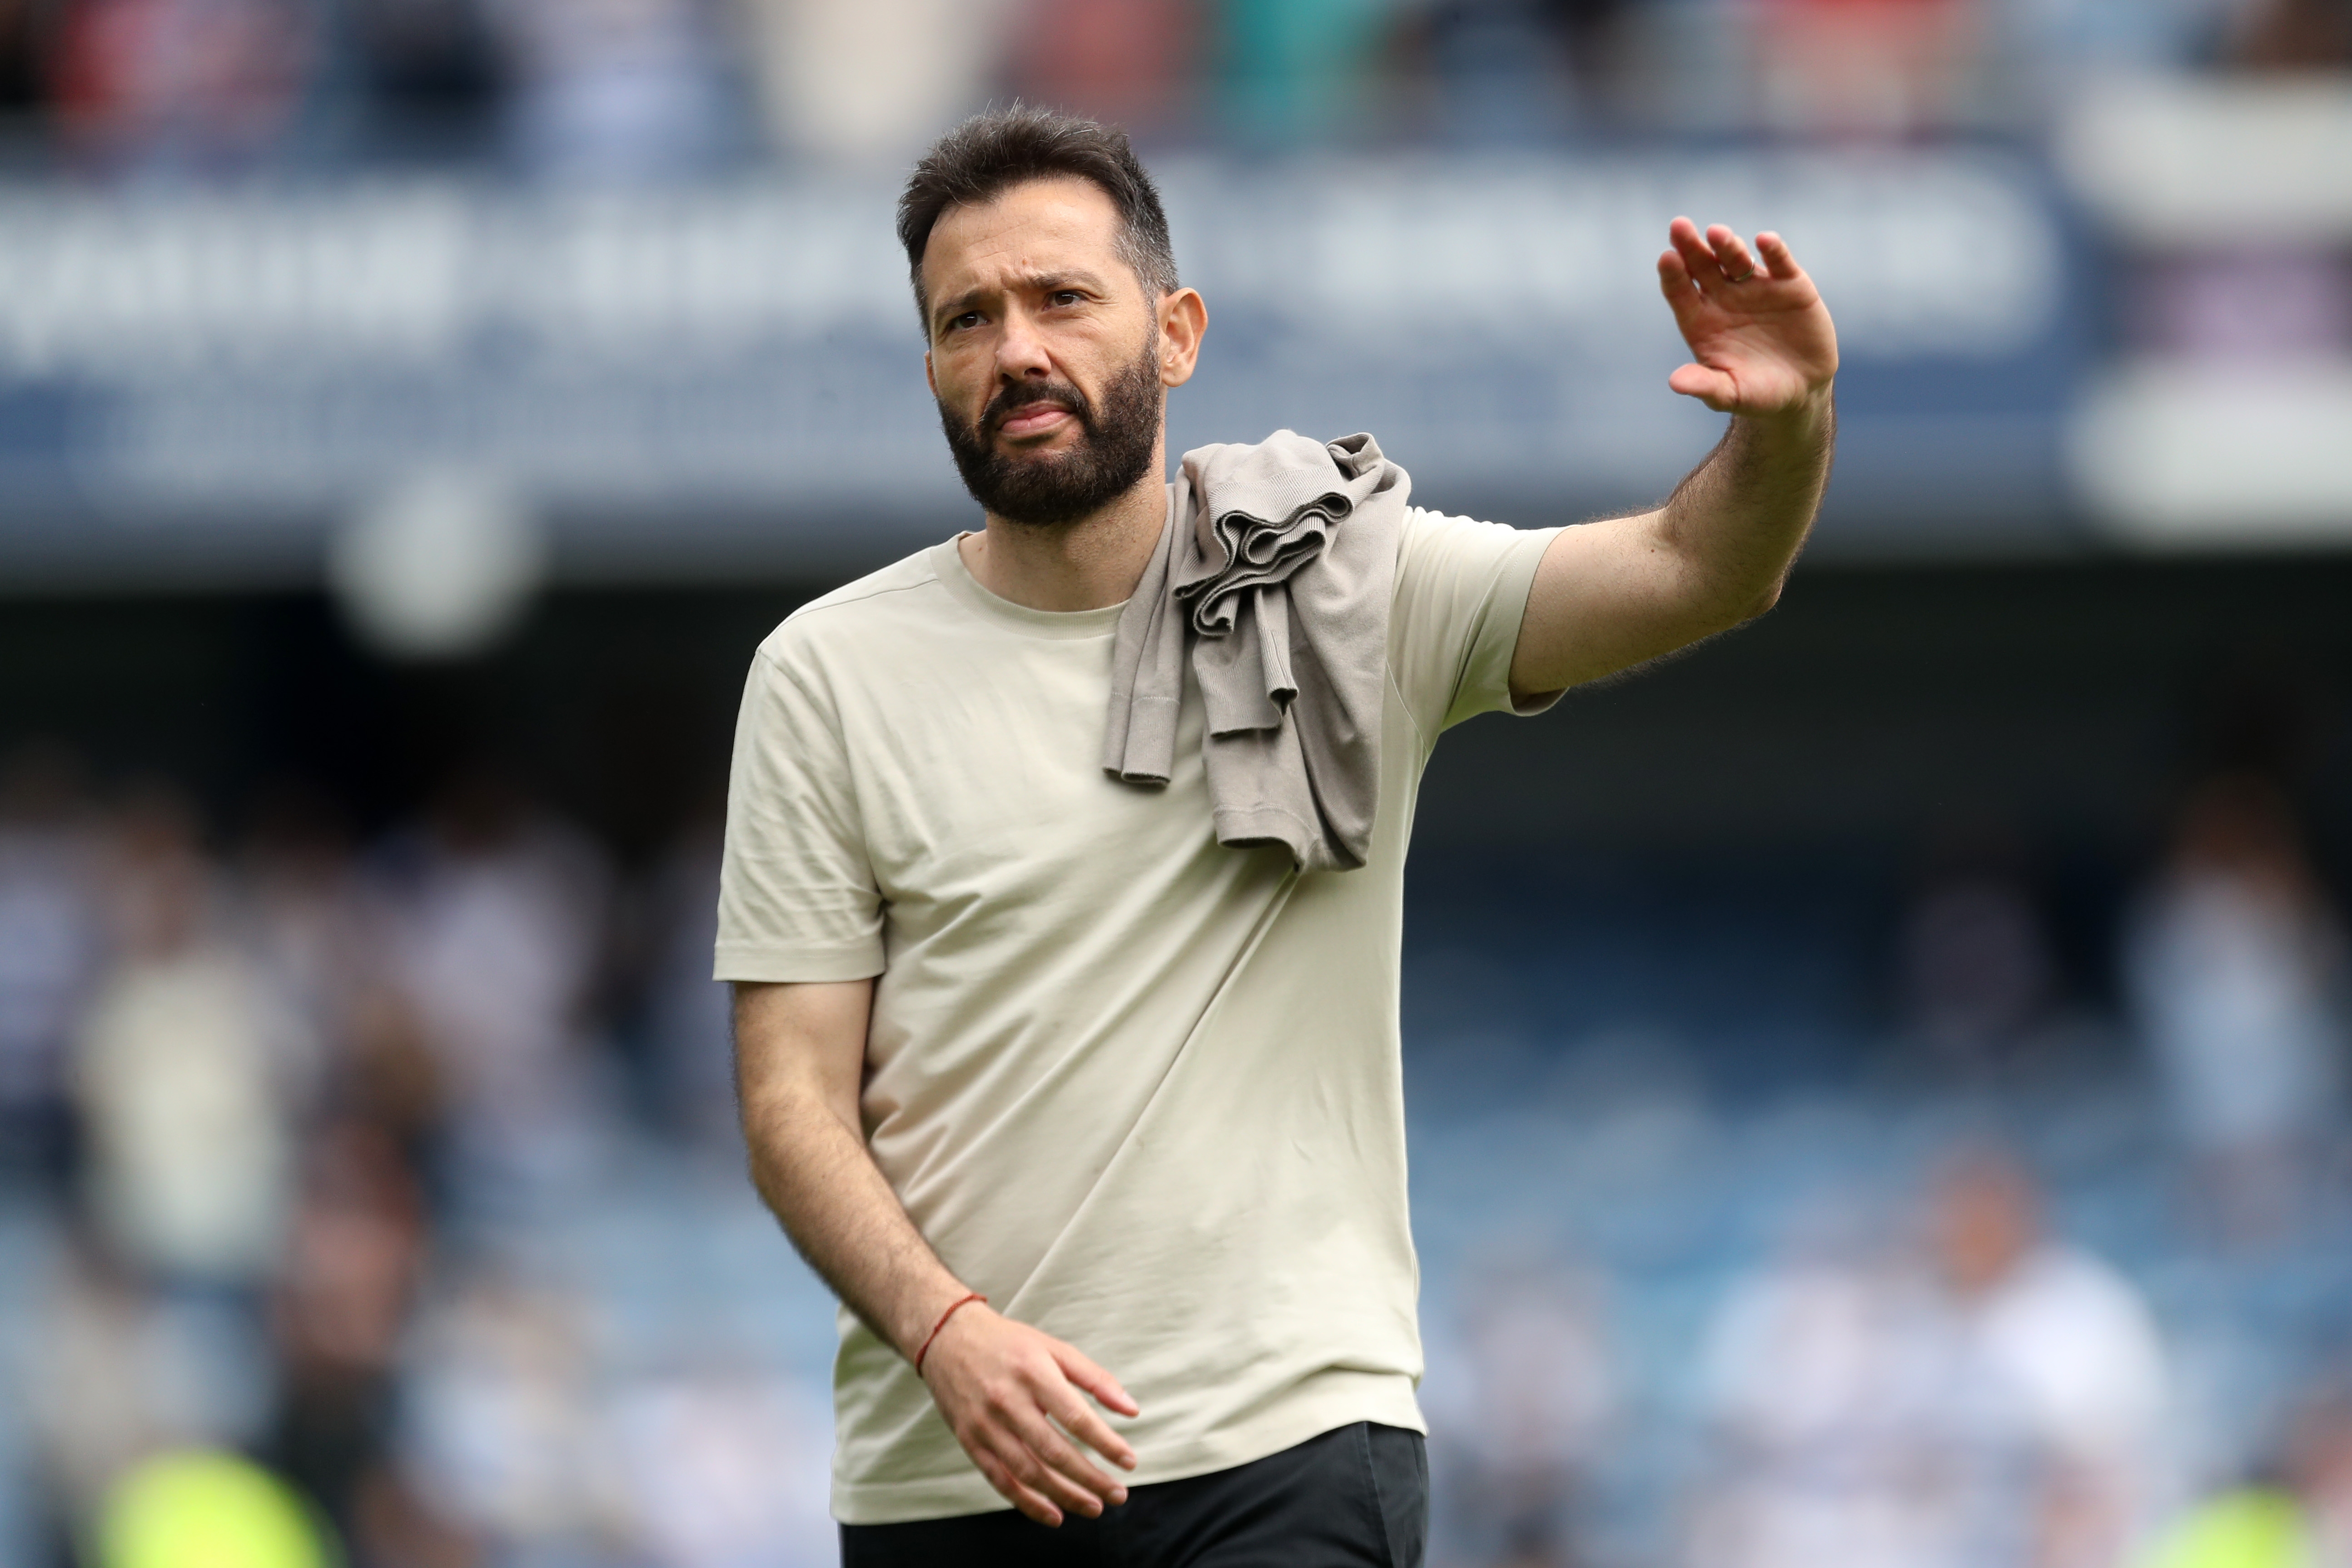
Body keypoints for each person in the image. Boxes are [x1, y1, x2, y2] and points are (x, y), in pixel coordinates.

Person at [720, 105, 1837, 1564]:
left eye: (1063, 298)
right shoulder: (825, 672)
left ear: (1174, 331)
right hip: (949, 1468)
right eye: (966, 319)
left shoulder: (1341, 584)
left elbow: (1699, 567)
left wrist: (1788, 419)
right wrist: (946, 1334)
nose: (1017, 352)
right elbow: (791, 1101)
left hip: (1284, 1449)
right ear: (930, 362)